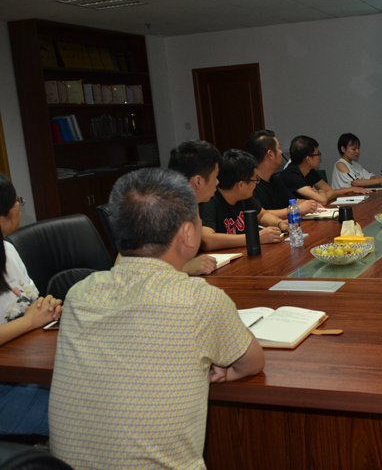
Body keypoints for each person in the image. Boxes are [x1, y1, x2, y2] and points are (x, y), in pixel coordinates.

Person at [49, 168, 265, 469]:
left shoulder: (79, 294)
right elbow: (252, 362)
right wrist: (226, 373)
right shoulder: (198, 300)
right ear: (188, 234)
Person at [0, 174, 62, 439]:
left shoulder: (7, 250)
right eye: (16, 202)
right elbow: (28, 319)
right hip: (7, 389)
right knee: (92, 411)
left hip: (27, 372)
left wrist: (46, 308)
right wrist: (28, 321)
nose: (18, 207)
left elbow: (32, 303)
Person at [199, 149, 286, 251]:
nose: (256, 184)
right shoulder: (209, 201)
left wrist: (280, 223)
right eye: (255, 180)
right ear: (241, 185)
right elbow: (207, 241)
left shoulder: (244, 196)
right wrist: (254, 238)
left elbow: (262, 215)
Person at [158, 139, 222, 275]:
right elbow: (126, 272)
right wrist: (184, 269)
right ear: (198, 181)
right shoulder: (154, 209)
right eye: (215, 177)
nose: (217, 182)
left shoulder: (193, 204)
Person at [245, 130, 320, 218]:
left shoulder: (274, 180)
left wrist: (311, 204)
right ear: (270, 154)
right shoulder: (250, 184)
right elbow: (260, 215)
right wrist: (297, 209)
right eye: (278, 148)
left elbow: (295, 201)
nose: (281, 152)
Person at [278, 135, 369, 205]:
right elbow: (322, 200)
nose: (319, 157)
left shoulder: (309, 171)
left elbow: (331, 191)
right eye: (317, 154)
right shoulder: (291, 174)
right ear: (308, 159)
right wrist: (321, 192)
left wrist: (320, 194)